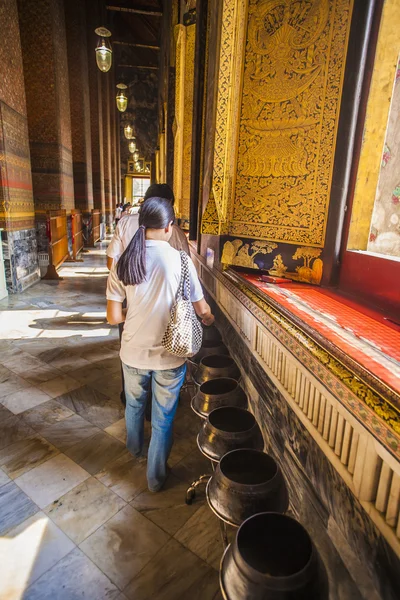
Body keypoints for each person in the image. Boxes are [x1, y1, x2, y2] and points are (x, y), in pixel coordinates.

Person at [106, 197, 214, 492]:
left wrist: (139, 311)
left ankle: (134, 448)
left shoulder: (124, 262)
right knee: (163, 418)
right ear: (169, 227)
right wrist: (209, 319)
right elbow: (201, 309)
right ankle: (155, 479)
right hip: (170, 356)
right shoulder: (180, 260)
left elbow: (114, 315)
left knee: (134, 404)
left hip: (132, 352)